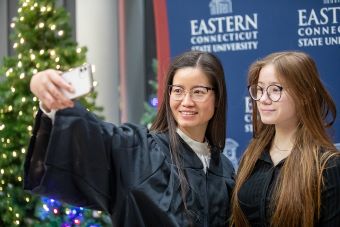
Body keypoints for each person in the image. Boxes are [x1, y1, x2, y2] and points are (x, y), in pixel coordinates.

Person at [24, 50, 235, 226]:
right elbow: (91, 135)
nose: (186, 101)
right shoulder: (139, 150)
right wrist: (49, 99)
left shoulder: (225, 169)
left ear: (217, 98)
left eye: (198, 92)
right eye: (178, 90)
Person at [231, 51, 340, 227]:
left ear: (304, 95)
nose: (263, 99)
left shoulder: (327, 165)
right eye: (259, 89)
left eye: (275, 89)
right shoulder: (252, 156)